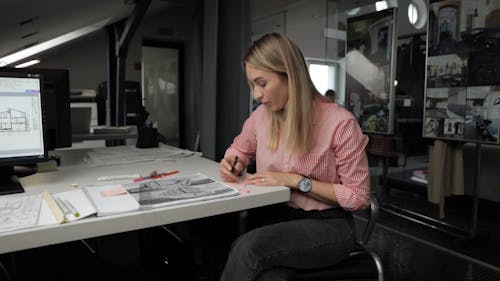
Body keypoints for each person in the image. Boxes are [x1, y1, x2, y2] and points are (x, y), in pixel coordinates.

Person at [218, 32, 370, 281]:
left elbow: (359, 197)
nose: (256, 94)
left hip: (328, 225)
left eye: (262, 83)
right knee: (270, 275)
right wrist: (233, 163)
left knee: (249, 248)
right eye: (252, 85)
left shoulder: (340, 123)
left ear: (289, 75)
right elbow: (239, 151)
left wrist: (295, 180)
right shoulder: (261, 117)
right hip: (278, 217)